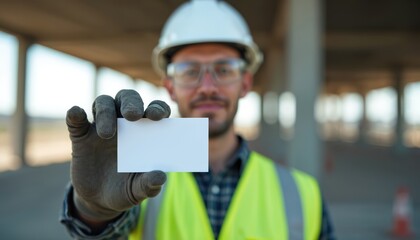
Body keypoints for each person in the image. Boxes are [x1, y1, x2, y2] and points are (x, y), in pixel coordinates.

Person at [60, 0, 335, 239]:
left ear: (245, 83)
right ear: (169, 86)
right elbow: (111, 233)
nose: (207, 86)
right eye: (190, 71)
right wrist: (94, 212)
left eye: (224, 69)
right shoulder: (135, 177)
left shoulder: (303, 194)